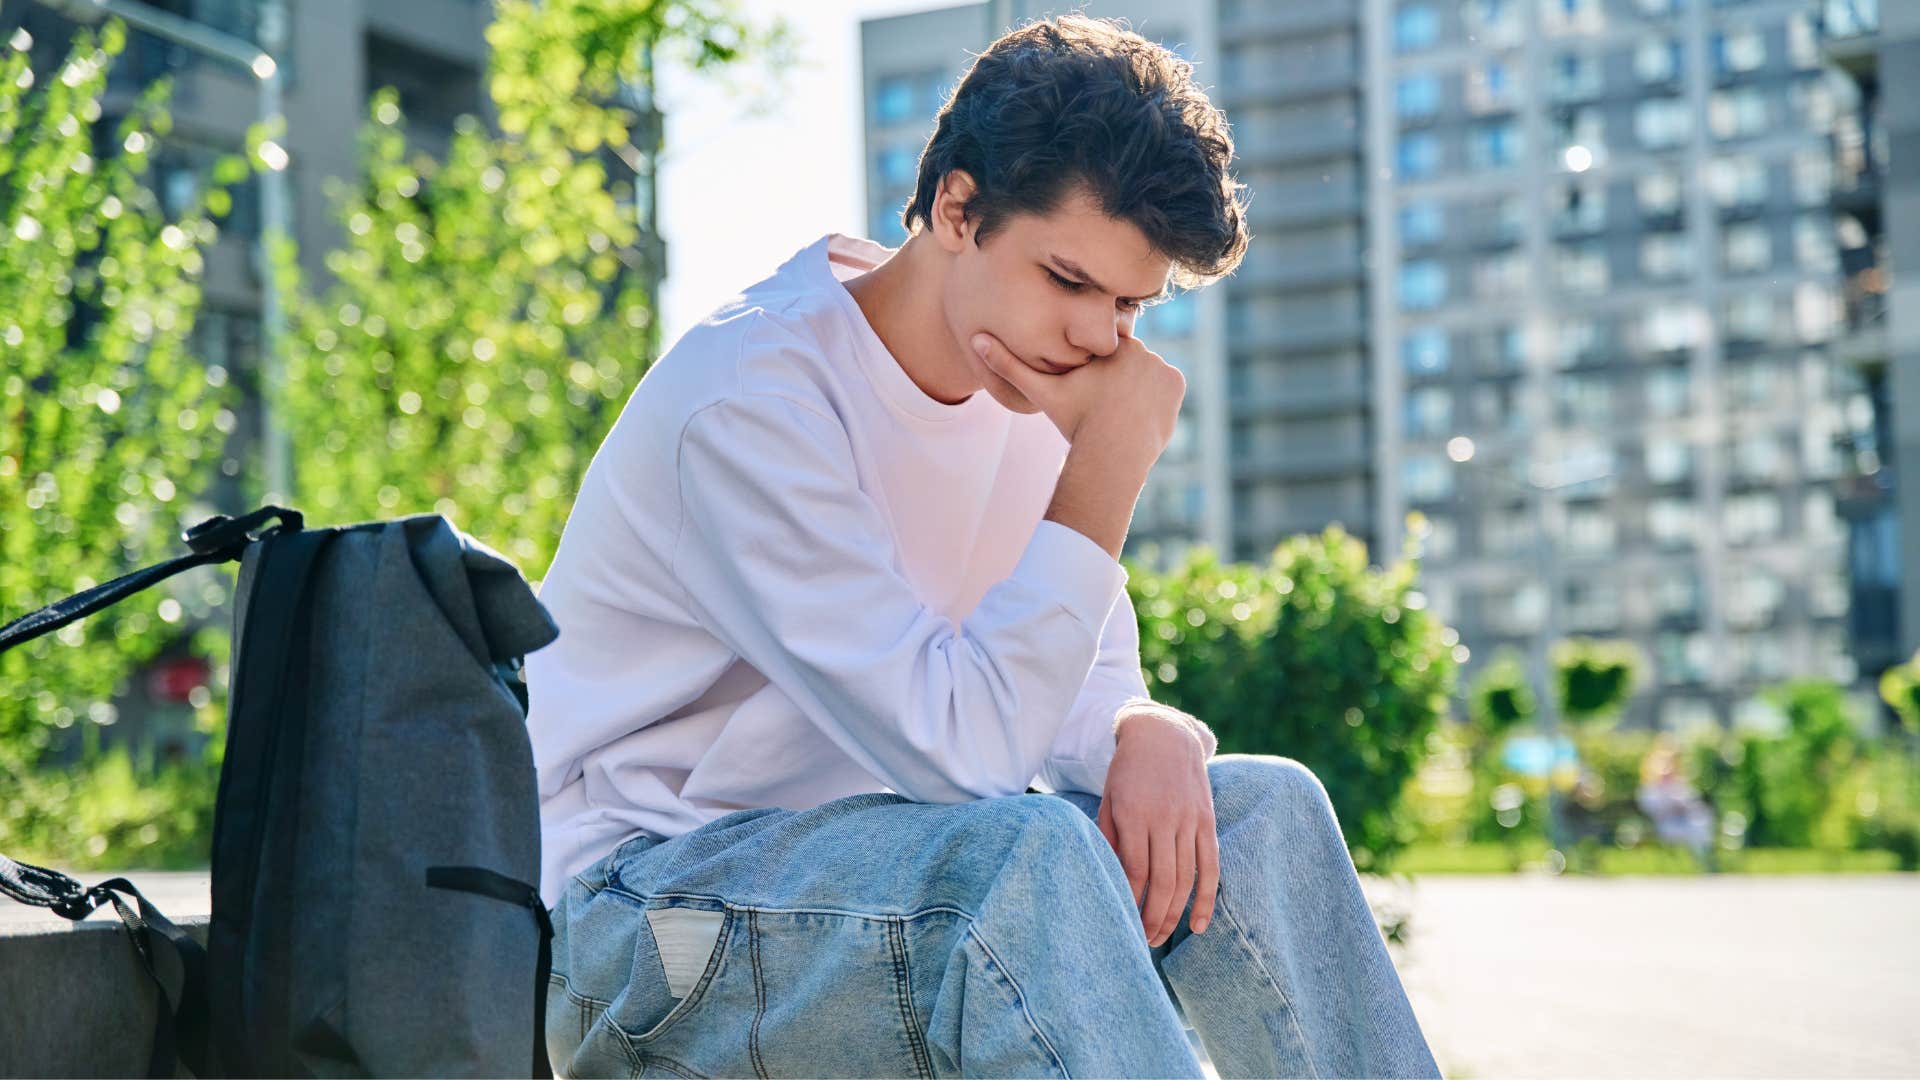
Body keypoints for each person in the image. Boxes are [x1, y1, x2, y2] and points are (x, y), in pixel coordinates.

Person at [526, 14, 1440, 1078]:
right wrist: (1109, 466)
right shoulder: (752, 401)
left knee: (1263, 815)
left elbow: (1068, 685)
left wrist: (1144, 725)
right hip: (642, 921)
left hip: (880, 878)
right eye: (1069, 281)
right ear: (958, 210)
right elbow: (964, 756)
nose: (1100, 338)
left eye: (1132, 304)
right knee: (1026, 859)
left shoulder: (1025, 385)